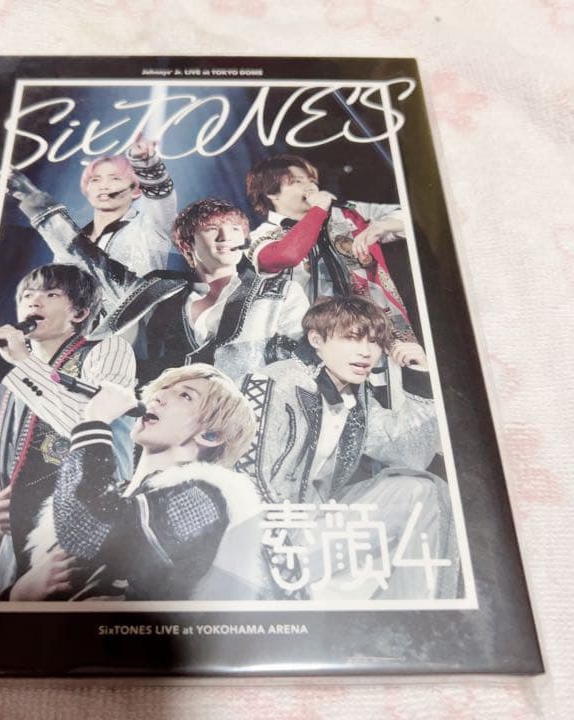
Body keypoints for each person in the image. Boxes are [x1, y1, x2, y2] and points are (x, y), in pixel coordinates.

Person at [237, 296, 459, 600]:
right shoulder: (272, 382)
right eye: (351, 338)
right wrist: (276, 551)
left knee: (422, 491)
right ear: (316, 339)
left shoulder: (355, 397)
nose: (366, 352)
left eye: (375, 342)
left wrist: (421, 378)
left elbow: (409, 454)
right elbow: (247, 479)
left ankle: (412, 614)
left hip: (317, 526)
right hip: (264, 542)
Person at [14, 364, 273, 601]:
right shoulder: (117, 496)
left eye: (185, 395)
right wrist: (18, 594)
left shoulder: (207, 499)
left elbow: (87, 531)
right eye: (163, 388)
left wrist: (95, 422)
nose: (159, 396)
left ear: (211, 435)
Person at [0, 263, 136, 600]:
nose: (34, 301)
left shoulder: (108, 351)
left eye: (51, 294)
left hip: (77, 539)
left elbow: (90, 425)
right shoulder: (2, 392)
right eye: (27, 295)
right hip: (9, 553)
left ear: (79, 312)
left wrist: (24, 362)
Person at [104, 198, 310, 385]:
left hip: (248, 411)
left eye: (235, 229)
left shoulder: (281, 293)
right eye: (211, 229)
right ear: (187, 244)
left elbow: (301, 365)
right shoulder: (161, 292)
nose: (225, 237)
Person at [7, 135, 182, 322]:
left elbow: (163, 200)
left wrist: (145, 163)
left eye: (115, 179)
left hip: (140, 330)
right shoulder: (67, 241)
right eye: (96, 180)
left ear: (136, 189)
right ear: (87, 188)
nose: (104, 186)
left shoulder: (152, 227)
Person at [245, 154, 416, 342]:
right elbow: (287, 255)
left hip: (380, 331)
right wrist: (318, 210)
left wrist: (381, 226)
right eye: (298, 181)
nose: (311, 187)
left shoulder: (347, 214)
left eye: (311, 180)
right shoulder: (260, 236)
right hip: (317, 341)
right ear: (271, 192)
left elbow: (412, 216)